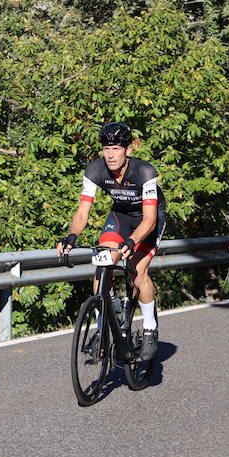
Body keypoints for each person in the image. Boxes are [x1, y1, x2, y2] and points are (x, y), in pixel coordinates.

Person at [55, 122, 165, 361]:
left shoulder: (144, 172)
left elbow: (149, 220)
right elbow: (82, 212)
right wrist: (72, 236)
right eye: (106, 148)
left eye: (116, 148)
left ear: (128, 150)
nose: (111, 154)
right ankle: (102, 324)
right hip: (120, 217)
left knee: (136, 269)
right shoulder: (95, 170)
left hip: (149, 220)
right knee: (103, 263)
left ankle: (149, 327)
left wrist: (132, 241)